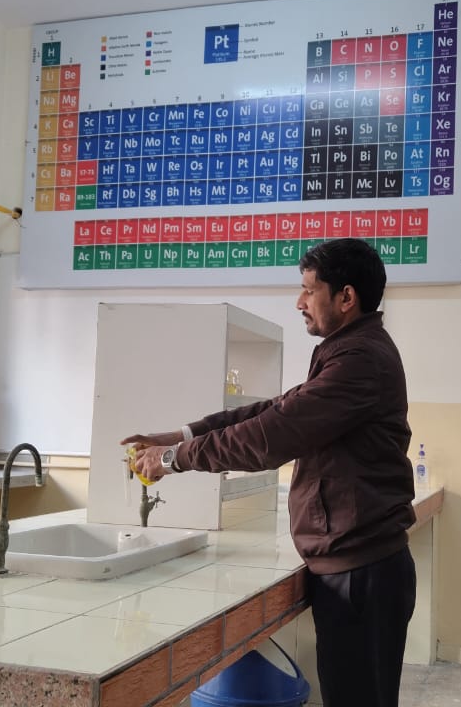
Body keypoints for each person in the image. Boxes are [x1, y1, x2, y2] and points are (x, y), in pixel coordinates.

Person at [123, 238, 417, 707]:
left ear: (346, 297)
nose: (299, 302)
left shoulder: (360, 361)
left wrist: (174, 458)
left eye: (309, 290)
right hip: (354, 566)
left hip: (361, 573)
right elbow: (274, 410)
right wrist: (180, 434)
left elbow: (270, 437)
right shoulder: (346, 352)